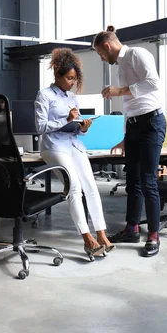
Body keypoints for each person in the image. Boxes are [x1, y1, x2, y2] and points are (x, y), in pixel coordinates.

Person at [92, 25, 166, 257]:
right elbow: (129, 106)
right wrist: (125, 136)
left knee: (147, 181)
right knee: (132, 181)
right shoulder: (121, 65)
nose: (102, 58)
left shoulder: (137, 54)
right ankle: (131, 228)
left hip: (151, 124)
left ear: (107, 46)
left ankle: (153, 235)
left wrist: (119, 90)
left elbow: (154, 84)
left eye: (100, 53)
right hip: (134, 126)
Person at [34, 48, 114, 258]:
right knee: (74, 188)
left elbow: (76, 127)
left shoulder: (72, 97)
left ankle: (102, 234)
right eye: (69, 78)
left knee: (91, 186)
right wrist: (67, 120)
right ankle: (87, 239)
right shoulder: (44, 95)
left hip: (74, 144)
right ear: (57, 74)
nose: (72, 82)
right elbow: (41, 127)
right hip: (53, 146)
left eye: (74, 79)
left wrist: (83, 127)